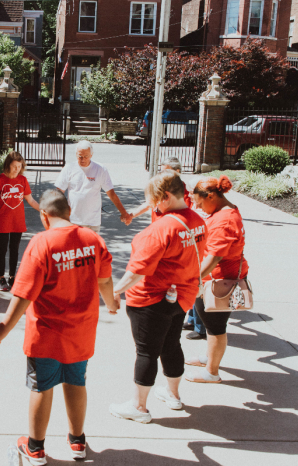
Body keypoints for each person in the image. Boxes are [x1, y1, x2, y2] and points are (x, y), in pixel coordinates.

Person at [0, 189, 118, 464]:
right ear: (69, 211)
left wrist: (3, 329)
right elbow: (104, 280)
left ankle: (35, 448)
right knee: (76, 381)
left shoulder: (41, 243)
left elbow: (24, 293)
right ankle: (77, 442)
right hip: (81, 331)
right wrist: (112, 304)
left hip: (46, 334)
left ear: (44, 216)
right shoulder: (93, 239)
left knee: (41, 387)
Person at [109, 170, 207, 423]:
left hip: (151, 299)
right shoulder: (198, 221)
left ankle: (139, 407)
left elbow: (136, 273)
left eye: (154, 200)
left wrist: (113, 292)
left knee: (146, 352)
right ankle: (173, 395)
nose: (152, 206)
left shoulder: (160, 229)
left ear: (165, 196)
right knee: (172, 345)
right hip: (182, 296)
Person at [127, 157, 205, 340]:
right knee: (172, 340)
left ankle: (198, 324)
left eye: (165, 171)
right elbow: (150, 204)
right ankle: (191, 319)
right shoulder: (166, 194)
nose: (161, 173)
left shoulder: (180, 196)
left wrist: (115, 291)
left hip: (171, 245)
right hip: (166, 244)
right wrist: (132, 214)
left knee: (150, 349)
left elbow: (137, 270)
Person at [185, 175, 249, 383]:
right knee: (211, 324)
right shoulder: (226, 212)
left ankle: (211, 372)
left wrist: (194, 278)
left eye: (201, 203)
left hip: (219, 282)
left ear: (211, 196)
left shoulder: (224, 220)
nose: (200, 208)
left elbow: (214, 256)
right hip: (216, 278)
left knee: (215, 327)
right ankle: (209, 358)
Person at [0, 151, 40, 291]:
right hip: (3, 220)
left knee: (14, 249)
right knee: (2, 249)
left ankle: (12, 277)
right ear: (8, 166)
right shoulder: (0, 180)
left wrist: (44, 210)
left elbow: (30, 200)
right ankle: (1, 278)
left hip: (18, 221)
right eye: (14, 166)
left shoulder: (22, 180)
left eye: (19, 166)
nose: (17, 169)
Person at [55, 140, 132, 233]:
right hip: (73, 220)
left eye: (86, 156)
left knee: (92, 248)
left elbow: (111, 193)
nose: (82, 159)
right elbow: (58, 193)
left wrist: (123, 212)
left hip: (92, 222)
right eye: (80, 156)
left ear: (91, 155)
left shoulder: (100, 169)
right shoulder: (69, 168)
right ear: (76, 154)